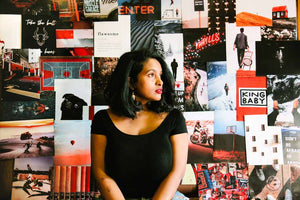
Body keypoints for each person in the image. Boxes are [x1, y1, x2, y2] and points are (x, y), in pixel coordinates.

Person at [91, 49, 189, 200]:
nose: (160, 81)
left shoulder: (174, 118)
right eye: (151, 75)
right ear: (131, 81)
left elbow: (177, 172)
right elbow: (100, 173)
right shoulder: (102, 119)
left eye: (161, 75)